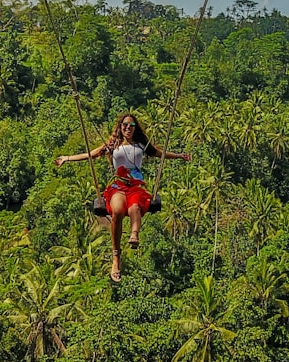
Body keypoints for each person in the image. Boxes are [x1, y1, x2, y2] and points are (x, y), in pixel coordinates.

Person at [55, 112, 191, 281]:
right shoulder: (112, 145)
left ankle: (134, 235)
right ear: (120, 127)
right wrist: (67, 158)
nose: (128, 128)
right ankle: (116, 257)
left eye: (131, 125)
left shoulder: (142, 145)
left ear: (135, 128)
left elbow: (160, 153)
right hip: (118, 185)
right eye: (125, 125)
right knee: (118, 210)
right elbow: (91, 154)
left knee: (135, 207)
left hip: (136, 186)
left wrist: (179, 156)